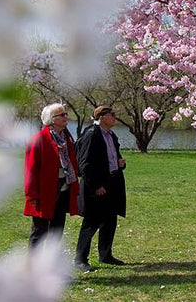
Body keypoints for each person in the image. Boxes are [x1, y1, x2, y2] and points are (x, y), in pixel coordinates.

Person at [74, 105, 127, 271]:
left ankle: (106, 255)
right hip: (96, 187)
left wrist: (120, 163)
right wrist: (96, 186)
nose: (115, 117)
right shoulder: (92, 135)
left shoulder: (111, 136)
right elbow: (84, 164)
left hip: (112, 183)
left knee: (110, 221)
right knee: (91, 222)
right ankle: (81, 259)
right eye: (112, 114)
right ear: (102, 117)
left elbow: (112, 158)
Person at [23, 103, 80, 248]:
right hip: (44, 192)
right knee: (39, 232)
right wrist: (32, 195)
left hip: (64, 189)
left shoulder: (66, 138)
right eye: (61, 115)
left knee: (57, 231)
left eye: (65, 114)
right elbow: (30, 170)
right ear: (51, 119)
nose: (65, 117)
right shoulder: (39, 139)